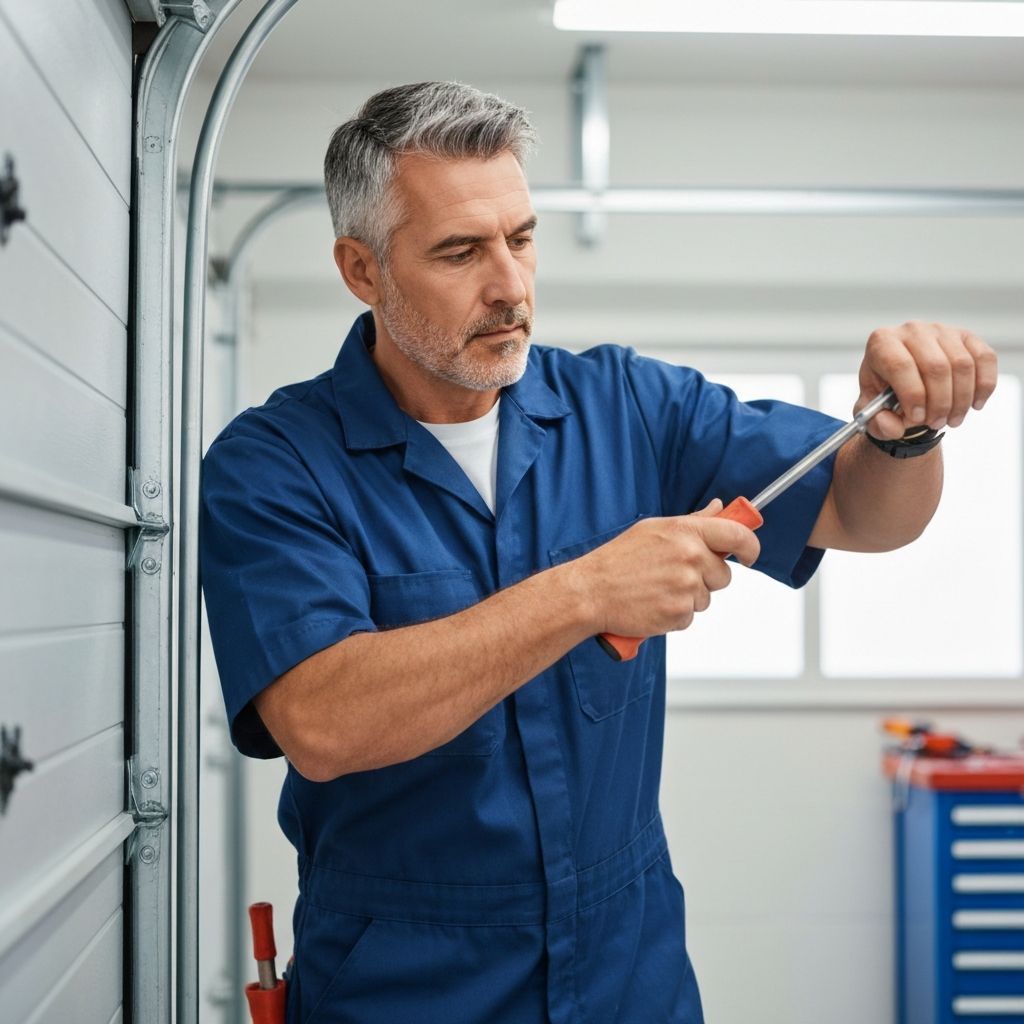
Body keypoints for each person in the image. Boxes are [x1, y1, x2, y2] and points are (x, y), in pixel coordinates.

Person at [200, 82, 997, 1024]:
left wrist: (906, 432)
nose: (510, 285)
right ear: (361, 270)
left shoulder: (628, 408)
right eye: (460, 251)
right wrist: (584, 594)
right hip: (406, 986)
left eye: (522, 238)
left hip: (629, 971)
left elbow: (867, 516)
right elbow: (325, 724)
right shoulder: (273, 464)